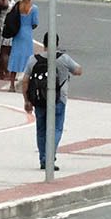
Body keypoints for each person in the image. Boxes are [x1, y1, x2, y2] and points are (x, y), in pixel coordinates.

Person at [23, 33, 83, 170]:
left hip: (38, 100)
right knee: (56, 129)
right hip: (58, 99)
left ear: (43, 44)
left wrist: (27, 100)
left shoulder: (33, 60)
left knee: (41, 130)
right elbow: (78, 70)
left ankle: (43, 158)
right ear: (56, 44)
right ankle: (49, 157)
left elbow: (25, 81)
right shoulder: (63, 59)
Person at [6, 0, 39, 91]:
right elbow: (35, 23)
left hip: (17, 33)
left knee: (15, 56)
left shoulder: (17, 5)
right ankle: (27, 85)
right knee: (28, 58)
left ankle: (11, 85)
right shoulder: (34, 8)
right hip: (27, 33)